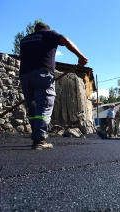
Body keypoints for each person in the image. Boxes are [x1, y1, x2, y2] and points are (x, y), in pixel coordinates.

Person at [19, 22, 88, 150]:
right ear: (46, 29)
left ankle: (36, 136)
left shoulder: (24, 40)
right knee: (44, 106)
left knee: (32, 107)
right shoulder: (49, 34)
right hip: (42, 74)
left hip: (25, 77)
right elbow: (65, 40)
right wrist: (80, 56)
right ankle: (39, 140)